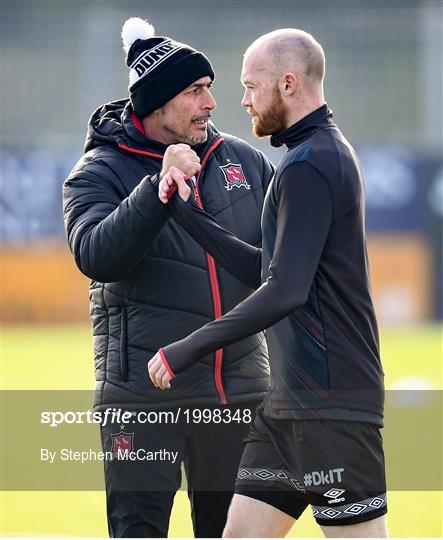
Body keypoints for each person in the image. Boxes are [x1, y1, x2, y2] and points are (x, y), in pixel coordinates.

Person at [148, 28, 388, 538]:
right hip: (286, 411)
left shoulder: (313, 163)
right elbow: (269, 269)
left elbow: (285, 290)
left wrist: (186, 349)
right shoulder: (303, 159)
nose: (242, 100)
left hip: (333, 410)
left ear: (287, 83)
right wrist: (187, 214)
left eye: (250, 86)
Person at [63, 17, 273, 538]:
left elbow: (282, 265)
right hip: (141, 400)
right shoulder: (97, 172)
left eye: (210, 89)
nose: (211, 103)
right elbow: (96, 255)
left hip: (239, 395)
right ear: (155, 104)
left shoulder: (243, 161)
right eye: (195, 91)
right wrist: (157, 188)